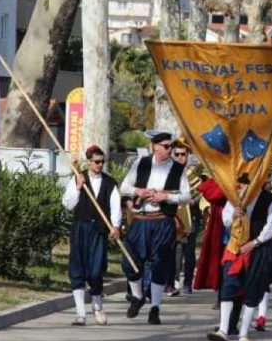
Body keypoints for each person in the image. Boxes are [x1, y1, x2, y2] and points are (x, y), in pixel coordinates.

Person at [119, 132, 191, 325]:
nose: (170, 150)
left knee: (160, 264)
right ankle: (137, 296)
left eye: (171, 146)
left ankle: (155, 308)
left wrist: (166, 197)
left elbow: (186, 196)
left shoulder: (178, 169)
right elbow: (124, 186)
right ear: (155, 147)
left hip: (163, 221)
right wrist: (139, 191)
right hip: (140, 220)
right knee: (129, 261)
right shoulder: (141, 164)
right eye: (166, 146)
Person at [207, 182, 272, 341]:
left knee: (252, 290)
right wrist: (234, 214)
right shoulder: (233, 199)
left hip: (258, 250)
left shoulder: (271, 199)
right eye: (240, 184)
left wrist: (255, 242)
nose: (241, 187)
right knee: (228, 286)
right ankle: (223, 330)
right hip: (235, 249)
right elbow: (226, 220)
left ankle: (244, 334)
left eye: (246, 184)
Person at [61, 145, 121, 326]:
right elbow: (68, 204)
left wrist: (115, 225)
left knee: (96, 270)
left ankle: (97, 304)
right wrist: (78, 188)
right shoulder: (78, 179)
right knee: (77, 270)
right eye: (96, 162)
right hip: (80, 228)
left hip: (99, 230)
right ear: (88, 162)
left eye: (102, 162)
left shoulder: (110, 183)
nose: (100, 165)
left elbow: (115, 205)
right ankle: (80, 313)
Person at [168, 138, 193, 296]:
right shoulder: (169, 171)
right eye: (176, 154)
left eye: (183, 154)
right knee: (173, 251)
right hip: (173, 215)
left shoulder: (192, 173)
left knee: (189, 253)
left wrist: (194, 200)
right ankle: (172, 281)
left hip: (190, 217)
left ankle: (188, 283)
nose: (180, 157)